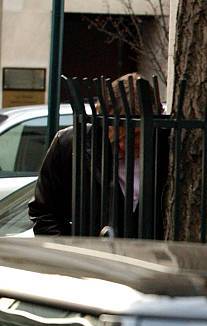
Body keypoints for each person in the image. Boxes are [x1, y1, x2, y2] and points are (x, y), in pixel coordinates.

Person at [28, 72, 153, 236]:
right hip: (87, 256)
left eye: (135, 136)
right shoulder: (69, 143)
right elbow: (44, 212)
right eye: (117, 136)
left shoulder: (165, 149)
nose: (123, 145)